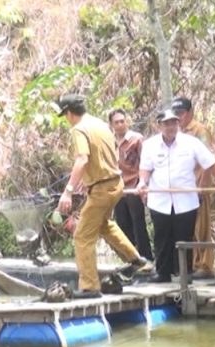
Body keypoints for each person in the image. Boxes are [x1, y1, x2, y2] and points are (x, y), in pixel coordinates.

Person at [54, 94, 148, 298]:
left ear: (69, 113)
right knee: (104, 224)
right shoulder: (100, 124)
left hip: (102, 189)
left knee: (82, 235)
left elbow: (82, 159)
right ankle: (135, 259)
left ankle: (89, 287)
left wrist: (68, 191)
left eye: (65, 115)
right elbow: (108, 154)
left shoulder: (79, 129)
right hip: (115, 184)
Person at [138, 110, 215, 283]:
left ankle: (185, 273)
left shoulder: (191, 143)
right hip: (160, 200)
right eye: (166, 123)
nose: (171, 127)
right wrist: (142, 182)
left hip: (186, 200)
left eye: (174, 123)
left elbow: (210, 162)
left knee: (184, 238)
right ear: (159, 126)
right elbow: (146, 169)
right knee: (162, 237)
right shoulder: (150, 145)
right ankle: (163, 273)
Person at [172, 97, 215, 279]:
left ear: (190, 112)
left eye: (181, 113)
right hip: (183, 188)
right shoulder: (175, 132)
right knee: (187, 228)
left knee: (201, 228)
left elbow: (208, 161)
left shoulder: (199, 131)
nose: (178, 117)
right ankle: (188, 265)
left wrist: (203, 187)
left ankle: (204, 266)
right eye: (176, 114)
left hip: (199, 187)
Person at [108, 109, 153, 260]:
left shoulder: (136, 139)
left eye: (122, 121)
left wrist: (143, 184)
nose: (120, 125)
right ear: (111, 125)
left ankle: (146, 258)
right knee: (122, 225)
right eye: (117, 122)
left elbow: (146, 163)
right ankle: (131, 259)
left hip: (134, 187)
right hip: (118, 190)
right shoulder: (110, 141)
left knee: (138, 224)